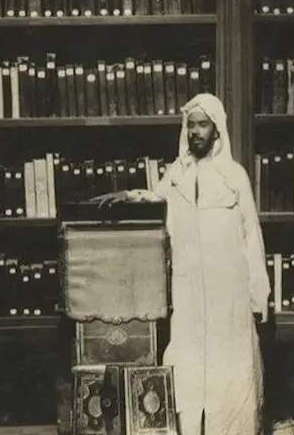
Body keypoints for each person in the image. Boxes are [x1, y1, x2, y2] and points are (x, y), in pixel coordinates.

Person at [91, 93, 271, 435]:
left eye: (203, 125)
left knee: (228, 364)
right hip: (188, 289)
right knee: (188, 360)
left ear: (216, 130)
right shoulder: (177, 174)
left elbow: (252, 236)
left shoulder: (235, 176)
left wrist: (257, 293)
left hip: (228, 290)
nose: (196, 132)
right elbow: (156, 198)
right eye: (191, 125)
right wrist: (128, 196)